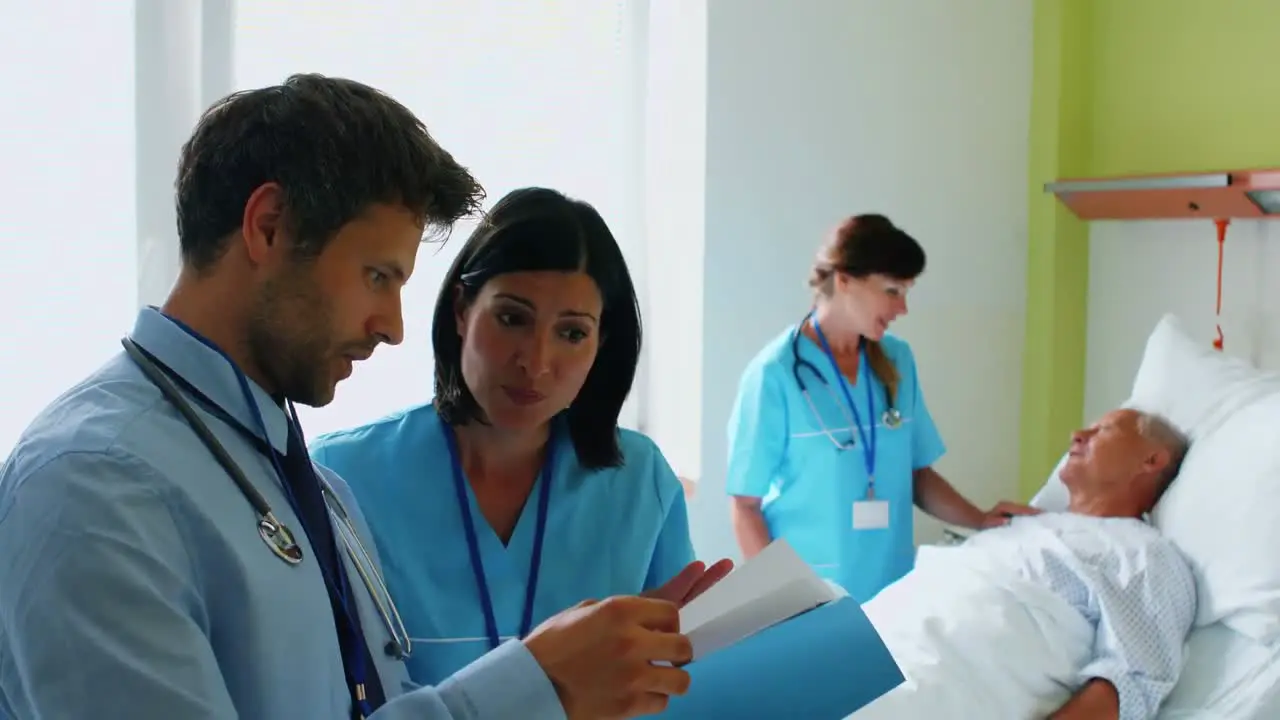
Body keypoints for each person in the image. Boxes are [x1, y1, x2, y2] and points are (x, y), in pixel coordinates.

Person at [0, 75, 698, 720]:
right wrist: (533, 687)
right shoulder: (94, 484)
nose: (392, 327)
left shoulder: (309, 486)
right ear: (268, 225)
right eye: (376, 276)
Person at [308, 186, 734, 687]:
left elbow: (675, 675)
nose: (535, 363)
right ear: (462, 310)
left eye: (572, 333)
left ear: (602, 343)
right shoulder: (344, 478)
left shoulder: (640, 481)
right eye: (512, 318)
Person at [726, 213, 1035, 603]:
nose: (902, 307)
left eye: (907, 291)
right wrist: (782, 601)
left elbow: (917, 474)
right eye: (892, 291)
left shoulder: (897, 360)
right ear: (844, 280)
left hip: (891, 595)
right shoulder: (776, 374)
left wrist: (980, 519)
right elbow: (745, 506)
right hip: (809, 597)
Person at [851, 408, 1197, 720]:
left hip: (939, 674)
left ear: (1152, 460)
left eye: (1103, 430)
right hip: (882, 630)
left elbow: (1132, 682)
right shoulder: (1025, 524)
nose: (1077, 436)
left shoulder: (1143, 553)